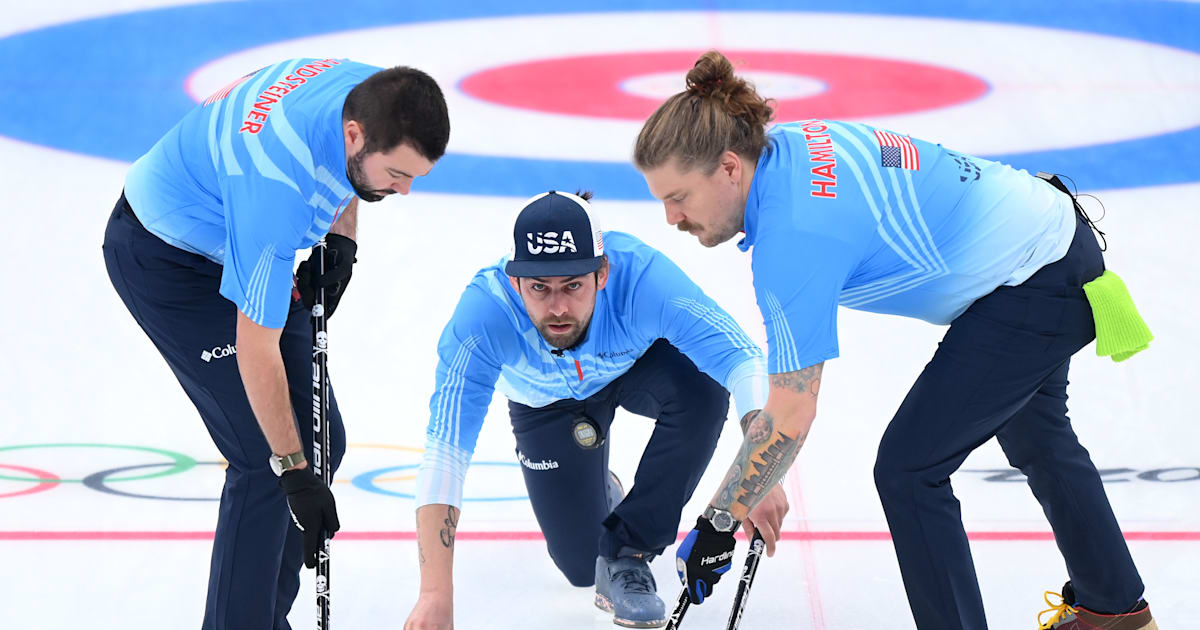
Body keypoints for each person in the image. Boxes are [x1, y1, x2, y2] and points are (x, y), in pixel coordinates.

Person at [633, 51, 1157, 630]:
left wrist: (718, 522)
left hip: (1033, 279)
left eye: (678, 197)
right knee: (1038, 435)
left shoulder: (794, 237)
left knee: (909, 469)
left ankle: (1104, 608)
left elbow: (790, 414)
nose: (671, 219)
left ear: (730, 168)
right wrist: (748, 490)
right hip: (1046, 243)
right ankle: (1114, 610)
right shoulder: (783, 150)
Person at [102, 57, 450, 629]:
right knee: (268, 461)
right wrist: (293, 475)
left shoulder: (367, 95)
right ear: (354, 135)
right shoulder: (276, 188)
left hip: (240, 234)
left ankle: (262, 616)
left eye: (416, 176)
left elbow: (351, 174)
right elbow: (254, 350)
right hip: (168, 261)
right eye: (398, 175)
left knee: (321, 440)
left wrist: (343, 240)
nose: (405, 191)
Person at [402, 190, 789, 629]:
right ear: (514, 283)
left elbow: (742, 358)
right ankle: (602, 489)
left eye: (573, 285)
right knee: (581, 565)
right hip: (545, 404)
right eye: (539, 289)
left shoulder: (643, 278)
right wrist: (434, 594)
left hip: (635, 368)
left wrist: (760, 468)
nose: (559, 308)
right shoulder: (482, 316)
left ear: (603, 273)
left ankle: (631, 551)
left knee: (704, 387)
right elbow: (445, 454)